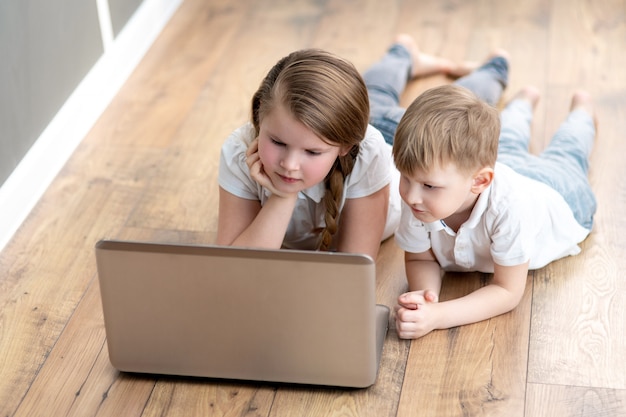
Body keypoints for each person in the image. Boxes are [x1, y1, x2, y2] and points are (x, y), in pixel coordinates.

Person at [217, 35, 507, 260]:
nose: (290, 164)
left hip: (399, 140)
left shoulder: (368, 154)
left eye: (312, 152)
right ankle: (404, 54)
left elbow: (351, 270)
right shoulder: (239, 150)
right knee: (377, 93)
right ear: (258, 121)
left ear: (344, 147)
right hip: (347, 122)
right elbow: (234, 268)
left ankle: (494, 67)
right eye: (278, 142)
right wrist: (282, 197)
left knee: (464, 111)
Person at [392, 83, 597, 339]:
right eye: (404, 177)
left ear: (479, 181)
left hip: (559, 193)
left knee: (568, 150)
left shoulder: (510, 207)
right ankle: (523, 101)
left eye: (429, 185)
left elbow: (507, 291)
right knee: (508, 140)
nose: (410, 195)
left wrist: (439, 316)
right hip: (506, 167)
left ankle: (582, 111)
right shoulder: (421, 195)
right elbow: (420, 259)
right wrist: (426, 299)